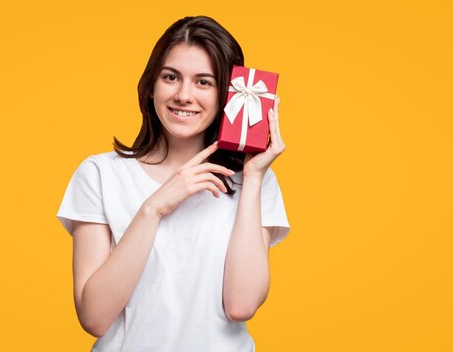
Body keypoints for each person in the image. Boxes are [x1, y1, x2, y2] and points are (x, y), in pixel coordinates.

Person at [57, 15, 290, 352]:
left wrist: (252, 178)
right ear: (151, 85)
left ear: (227, 96)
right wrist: (153, 209)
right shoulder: (99, 175)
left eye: (204, 82)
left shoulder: (255, 182)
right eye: (171, 77)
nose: (184, 95)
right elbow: (94, 317)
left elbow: (241, 306)